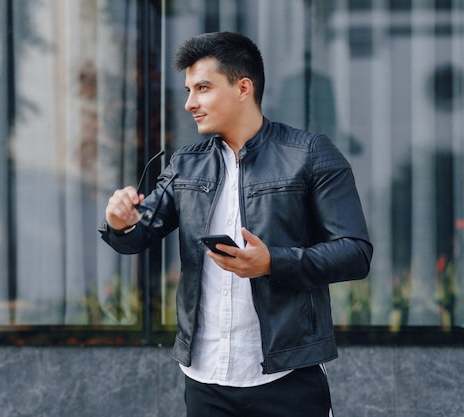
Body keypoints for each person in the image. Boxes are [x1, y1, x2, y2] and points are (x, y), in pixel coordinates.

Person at [99, 32, 372, 417]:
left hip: (286, 377)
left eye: (203, 88)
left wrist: (273, 263)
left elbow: (355, 252)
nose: (189, 103)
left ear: (243, 87)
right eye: (189, 90)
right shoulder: (185, 163)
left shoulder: (309, 154)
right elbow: (139, 234)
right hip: (205, 378)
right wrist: (120, 222)